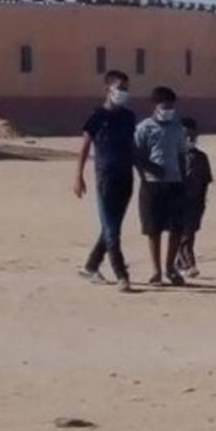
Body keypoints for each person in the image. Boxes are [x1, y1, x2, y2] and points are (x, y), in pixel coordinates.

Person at [74, 70, 136, 292]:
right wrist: (78, 176)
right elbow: (84, 148)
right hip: (105, 178)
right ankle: (122, 274)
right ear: (108, 89)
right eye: (120, 88)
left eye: (127, 89)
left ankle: (91, 266)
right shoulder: (97, 116)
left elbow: (133, 147)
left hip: (126, 177)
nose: (124, 93)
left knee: (113, 227)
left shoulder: (129, 117)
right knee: (112, 230)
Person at [134, 86, 187, 286]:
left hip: (175, 183)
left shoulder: (177, 128)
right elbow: (137, 155)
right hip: (152, 184)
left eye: (171, 106)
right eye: (165, 106)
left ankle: (170, 267)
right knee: (153, 229)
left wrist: (183, 178)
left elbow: (181, 153)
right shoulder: (144, 128)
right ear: (155, 106)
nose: (169, 110)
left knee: (176, 228)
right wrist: (146, 176)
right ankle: (156, 270)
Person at [176, 117, 213, 279]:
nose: (189, 140)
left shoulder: (201, 158)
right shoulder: (174, 157)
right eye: (185, 137)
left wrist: (201, 203)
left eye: (192, 137)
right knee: (185, 234)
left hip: (196, 203)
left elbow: (206, 180)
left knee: (189, 232)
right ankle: (188, 263)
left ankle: (178, 263)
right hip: (177, 201)